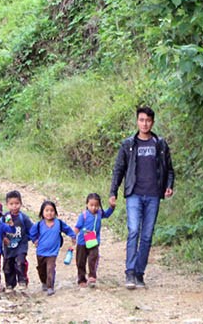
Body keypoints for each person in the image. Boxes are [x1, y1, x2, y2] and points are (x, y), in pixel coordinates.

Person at [110, 105, 175, 289]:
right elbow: (119, 170)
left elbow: (169, 170)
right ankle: (129, 272)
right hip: (134, 194)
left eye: (148, 120)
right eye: (141, 120)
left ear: (152, 122)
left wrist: (169, 186)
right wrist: (113, 192)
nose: (144, 123)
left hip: (153, 195)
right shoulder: (129, 145)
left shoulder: (160, 144)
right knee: (133, 231)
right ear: (137, 121)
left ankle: (139, 273)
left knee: (146, 236)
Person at [29, 200, 76, 295]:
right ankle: (44, 282)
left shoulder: (59, 223)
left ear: (55, 212)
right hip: (41, 251)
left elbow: (67, 229)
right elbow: (32, 233)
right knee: (41, 269)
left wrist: (73, 236)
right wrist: (35, 240)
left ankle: (50, 286)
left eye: (52, 210)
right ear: (42, 212)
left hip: (52, 252)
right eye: (46, 210)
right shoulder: (39, 225)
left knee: (50, 268)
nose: (49, 213)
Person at [73, 192, 115, 288]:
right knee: (81, 261)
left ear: (99, 205)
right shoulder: (83, 215)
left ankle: (92, 276)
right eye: (91, 205)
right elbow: (77, 227)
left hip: (94, 240)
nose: (94, 208)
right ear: (87, 204)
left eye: (96, 205)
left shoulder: (99, 213)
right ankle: (81, 279)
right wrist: (73, 236)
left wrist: (112, 207)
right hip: (82, 242)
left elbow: (107, 214)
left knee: (93, 257)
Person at [2, 190, 35, 292]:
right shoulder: (4, 218)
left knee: (20, 263)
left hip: (21, 245)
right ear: (7, 204)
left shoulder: (23, 218)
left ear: (21, 203)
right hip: (8, 247)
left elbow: (32, 230)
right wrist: (3, 238)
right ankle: (10, 284)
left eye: (17, 203)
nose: (14, 206)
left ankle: (22, 281)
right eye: (11, 204)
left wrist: (35, 239)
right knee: (7, 266)